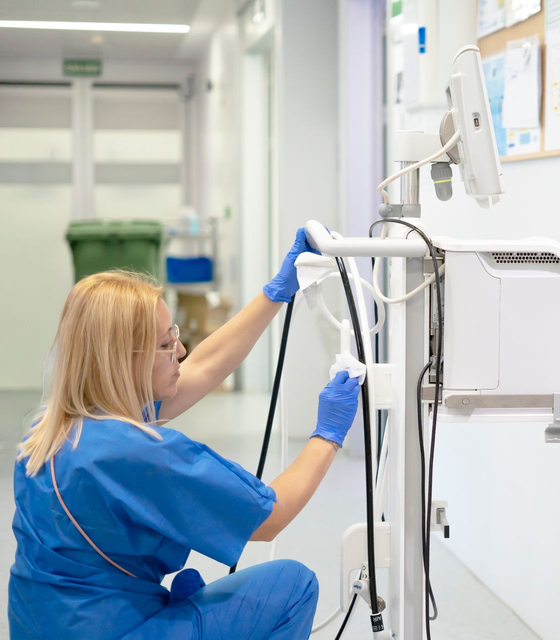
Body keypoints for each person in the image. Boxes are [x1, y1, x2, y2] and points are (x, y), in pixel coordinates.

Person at [8, 229, 359, 639]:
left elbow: (201, 368)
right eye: (165, 343)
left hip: (44, 625)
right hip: (112, 630)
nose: (181, 351)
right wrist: (328, 434)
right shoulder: (138, 454)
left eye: (175, 334)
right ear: (126, 360)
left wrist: (274, 295)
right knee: (292, 586)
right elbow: (269, 519)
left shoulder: (55, 426)